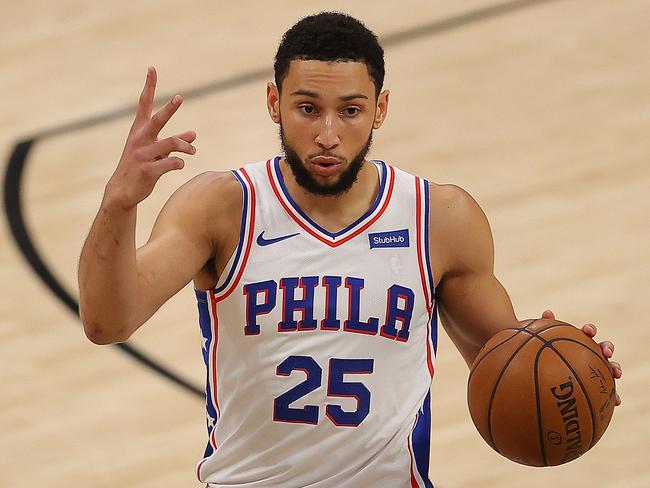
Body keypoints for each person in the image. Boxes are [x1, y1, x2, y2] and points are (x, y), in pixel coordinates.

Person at [78, 12, 622, 488]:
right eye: (308, 109)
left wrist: (569, 366)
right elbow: (107, 321)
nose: (328, 134)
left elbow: (503, 357)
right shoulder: (223, 208)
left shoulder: (439, 219)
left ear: (380, 109)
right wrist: (118, 205)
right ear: (274, 102)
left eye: (351, 110)